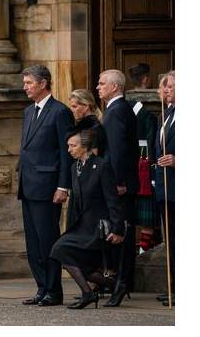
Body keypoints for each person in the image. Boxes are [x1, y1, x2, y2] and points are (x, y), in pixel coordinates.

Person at [17, 65, 74, 307]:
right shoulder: (29, 112)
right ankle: (41, 287)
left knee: (48, 240)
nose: (25, 87)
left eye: (29, 83)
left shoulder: (60, 111)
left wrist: (63, 186)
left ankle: (54, 290)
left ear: (43, 83)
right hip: (28, 185)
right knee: (33, 243)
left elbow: (65, 153)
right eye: (25, 83)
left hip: (48, 187)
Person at [50, 128, 125, 309]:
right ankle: (114, 286)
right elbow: (75, 203)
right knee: (70, 257)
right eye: (68, 145)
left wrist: (117, 229)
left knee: (60, 250)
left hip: (97, 227)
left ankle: (90, 293)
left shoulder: (101, 166)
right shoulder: (73, 167)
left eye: (73, 145)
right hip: (81, 225)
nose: (69, 149)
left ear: (85, 147)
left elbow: (112, 199)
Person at [96, 69, 139, 307]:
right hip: (119, 182)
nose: (98, 87)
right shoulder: (116, 109)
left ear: (114, 87)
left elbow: (119, 151)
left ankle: (121, 283)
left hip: (119, 185)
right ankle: (119, 281)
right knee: (119, 234)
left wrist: (118, 182)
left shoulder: (116, 111)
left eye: (102, 84)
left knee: (121, 234)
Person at [128, 63, 160, 253]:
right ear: (147, 79)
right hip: (145, 167)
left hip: (132, 166)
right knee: (147, 217)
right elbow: (150, 142)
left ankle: (142, 248)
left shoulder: (125, 105)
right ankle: (144, 249)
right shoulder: (148, 112)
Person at [155, 71, 175, 306]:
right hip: (165, 185)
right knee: (170, 237)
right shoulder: (168, 112)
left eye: (170, 86)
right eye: (165, 87)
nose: (166, 90)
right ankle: (173, 286)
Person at [68, 89, 106, 157]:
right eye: (71, 107)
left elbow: (94, 156)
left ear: (86, 107)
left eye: (74, 106)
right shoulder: (83, 125)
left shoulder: (92, 127)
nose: (71, 110)